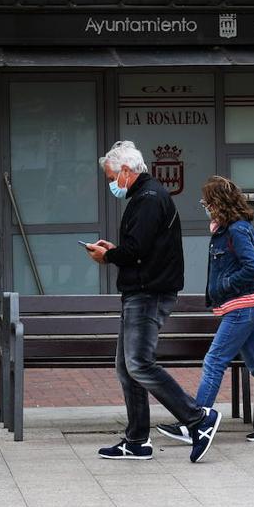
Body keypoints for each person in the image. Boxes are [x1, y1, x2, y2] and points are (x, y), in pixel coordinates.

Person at [85, 141, 221, 464]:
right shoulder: (148, 196)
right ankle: (136, 440)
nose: (111, 184)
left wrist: (109, 256)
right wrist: (116, 250)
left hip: (148, 292)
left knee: (139, 364)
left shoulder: (147, 198)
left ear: (127, 171)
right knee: (126, 366)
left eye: (112, 177)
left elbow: (137, 250)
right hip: (144, 289)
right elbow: (140, 246)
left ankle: (198, 419)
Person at [157, 175, 254, 444]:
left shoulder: (237, 230)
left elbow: (252, 268)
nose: (204, 205)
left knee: (214, 361)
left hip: (243, 306)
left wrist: (226, 284)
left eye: (206, 200)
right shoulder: (227, 229)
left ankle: (195, 422)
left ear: (217, 202)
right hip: (245, 306)